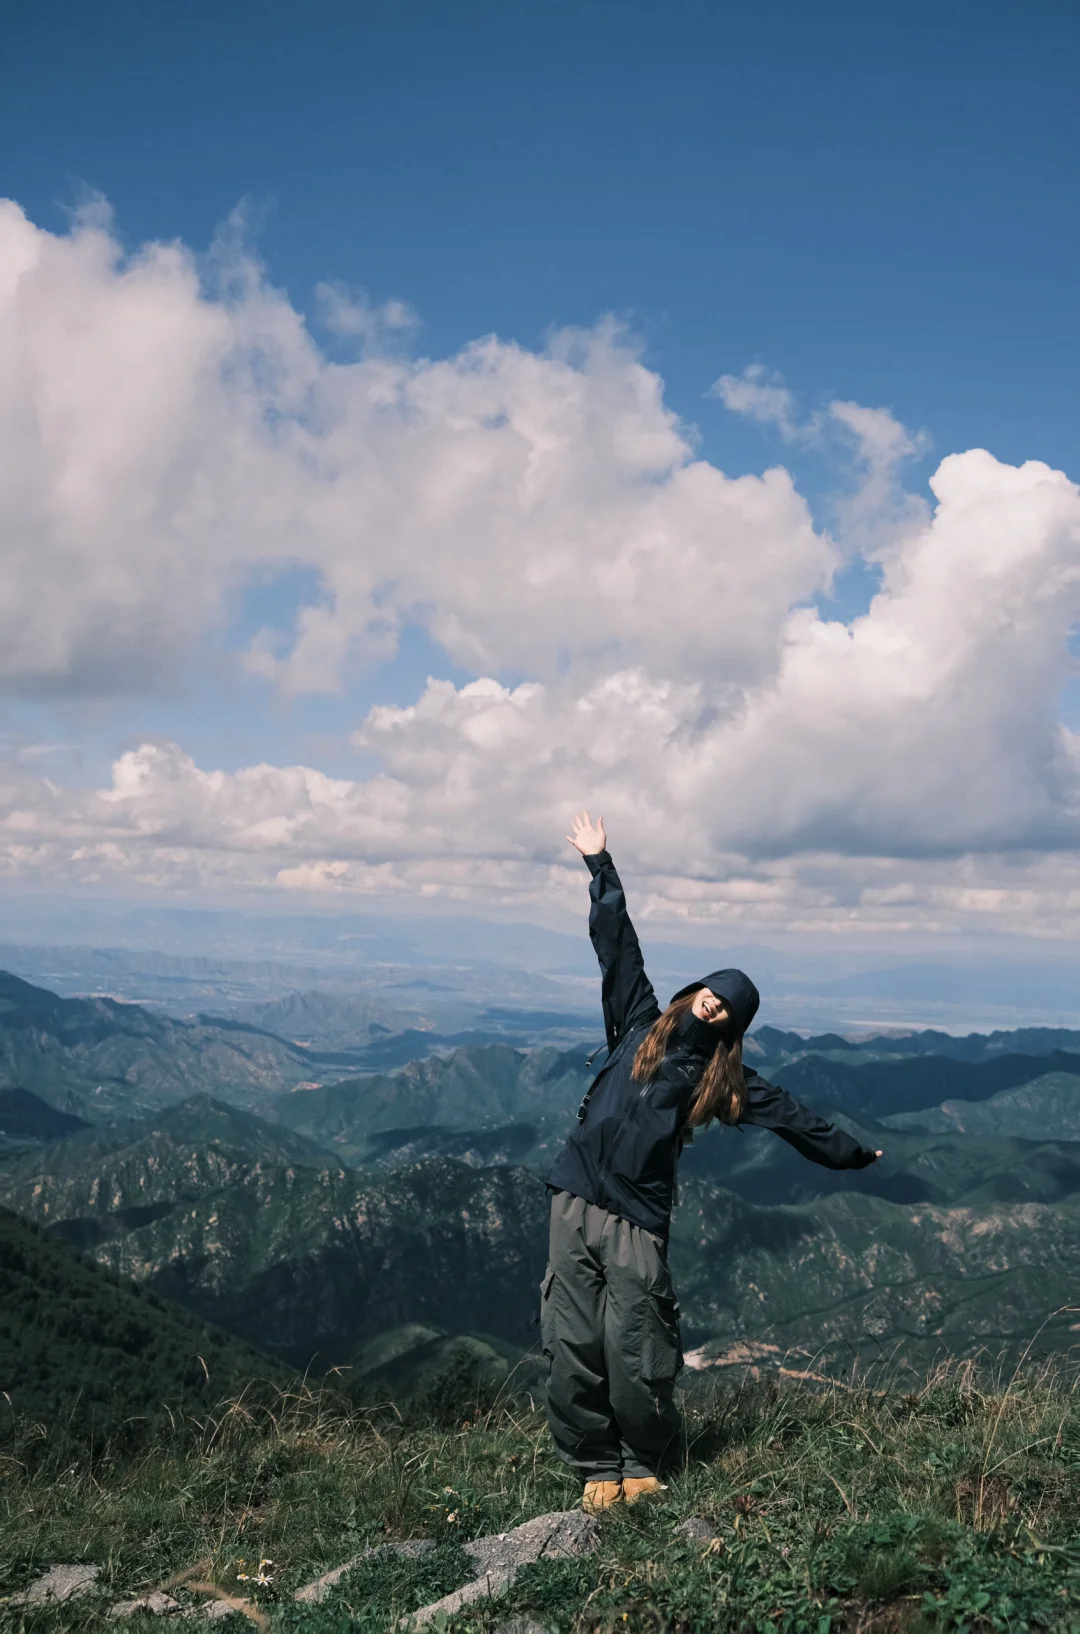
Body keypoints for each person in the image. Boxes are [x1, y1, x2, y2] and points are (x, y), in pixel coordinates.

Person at [542, 812, 883, 1514]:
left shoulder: (722, 1082)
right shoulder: (638, 1019)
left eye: (729, 1008)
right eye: (715, 991)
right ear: (699, 986)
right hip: (573, 1200)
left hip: (636, 1215)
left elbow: (790, 1117)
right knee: (571, 1339)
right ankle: (594, 1464)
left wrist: (849, 1154)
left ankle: (644, 1459)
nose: (716, 1004)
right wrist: (600, 866)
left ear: (734, 1024)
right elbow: (618, 947)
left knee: (634, 1347)